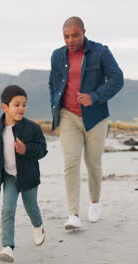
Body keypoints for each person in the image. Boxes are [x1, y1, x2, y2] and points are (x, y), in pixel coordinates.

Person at [48, 16, 124, 230]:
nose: (70, 40)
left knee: (93, 163)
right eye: (66, 36)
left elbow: (117, 78)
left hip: (96, 117)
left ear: (83, 32)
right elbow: (52, 84)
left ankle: (95, 202)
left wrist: (95, 96)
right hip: (68, 116)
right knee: (71, 164)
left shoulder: (101, 52)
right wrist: (54, 107)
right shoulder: (56, 56)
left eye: (74, 35)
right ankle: (73, 214)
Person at [0, 85, 48, 263]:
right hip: (9, 176)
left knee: (31, 207)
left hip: (28, 176)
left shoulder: (32, 128)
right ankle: (7, 247)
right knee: (8, 209)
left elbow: (42, 150)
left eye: (24, 104)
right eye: (17, 104)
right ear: (4, 107)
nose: (21, 108)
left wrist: (25, 149)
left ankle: (38, 226)